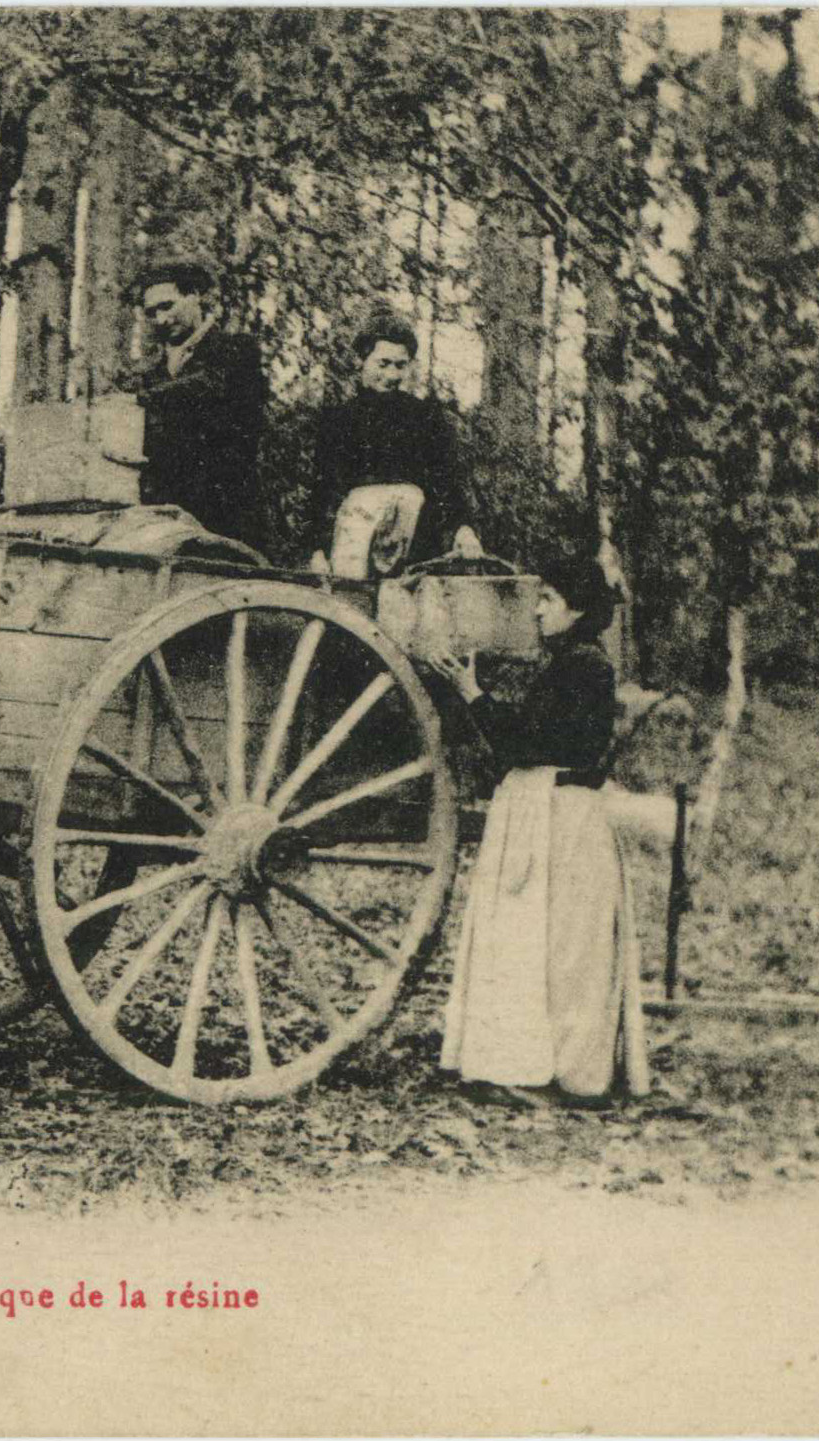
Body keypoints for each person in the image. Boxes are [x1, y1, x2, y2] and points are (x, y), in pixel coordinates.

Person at [427, 551, 649, 1107]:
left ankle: (570, 1074)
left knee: (563, 943)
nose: (536, 612)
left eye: (548, 600)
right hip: (542, 805)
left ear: (576, 609)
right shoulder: (568, 662)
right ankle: (522, 1059)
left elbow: (528, 744)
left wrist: (473, 695)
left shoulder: (586, 667)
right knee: (532, 936)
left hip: (563, 814)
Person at [309, 311, 479, 576]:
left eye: (401, 365)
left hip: (414, 549)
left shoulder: (427, 418)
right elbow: (323, 493)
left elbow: (449, 484)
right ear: (362, 360)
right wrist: (317, 551)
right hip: (354, 545)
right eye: (383, 363)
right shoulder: (338, 421)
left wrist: (464, 529)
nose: (392, 374)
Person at [120, 259, 267, 541]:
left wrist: (143, 400)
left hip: (227, 518)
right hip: (164, 524)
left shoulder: (238, 352)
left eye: (168, 305)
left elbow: (212, 387)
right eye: (151, 313)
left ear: (194, 296)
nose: (161, 320)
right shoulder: (149, 375)